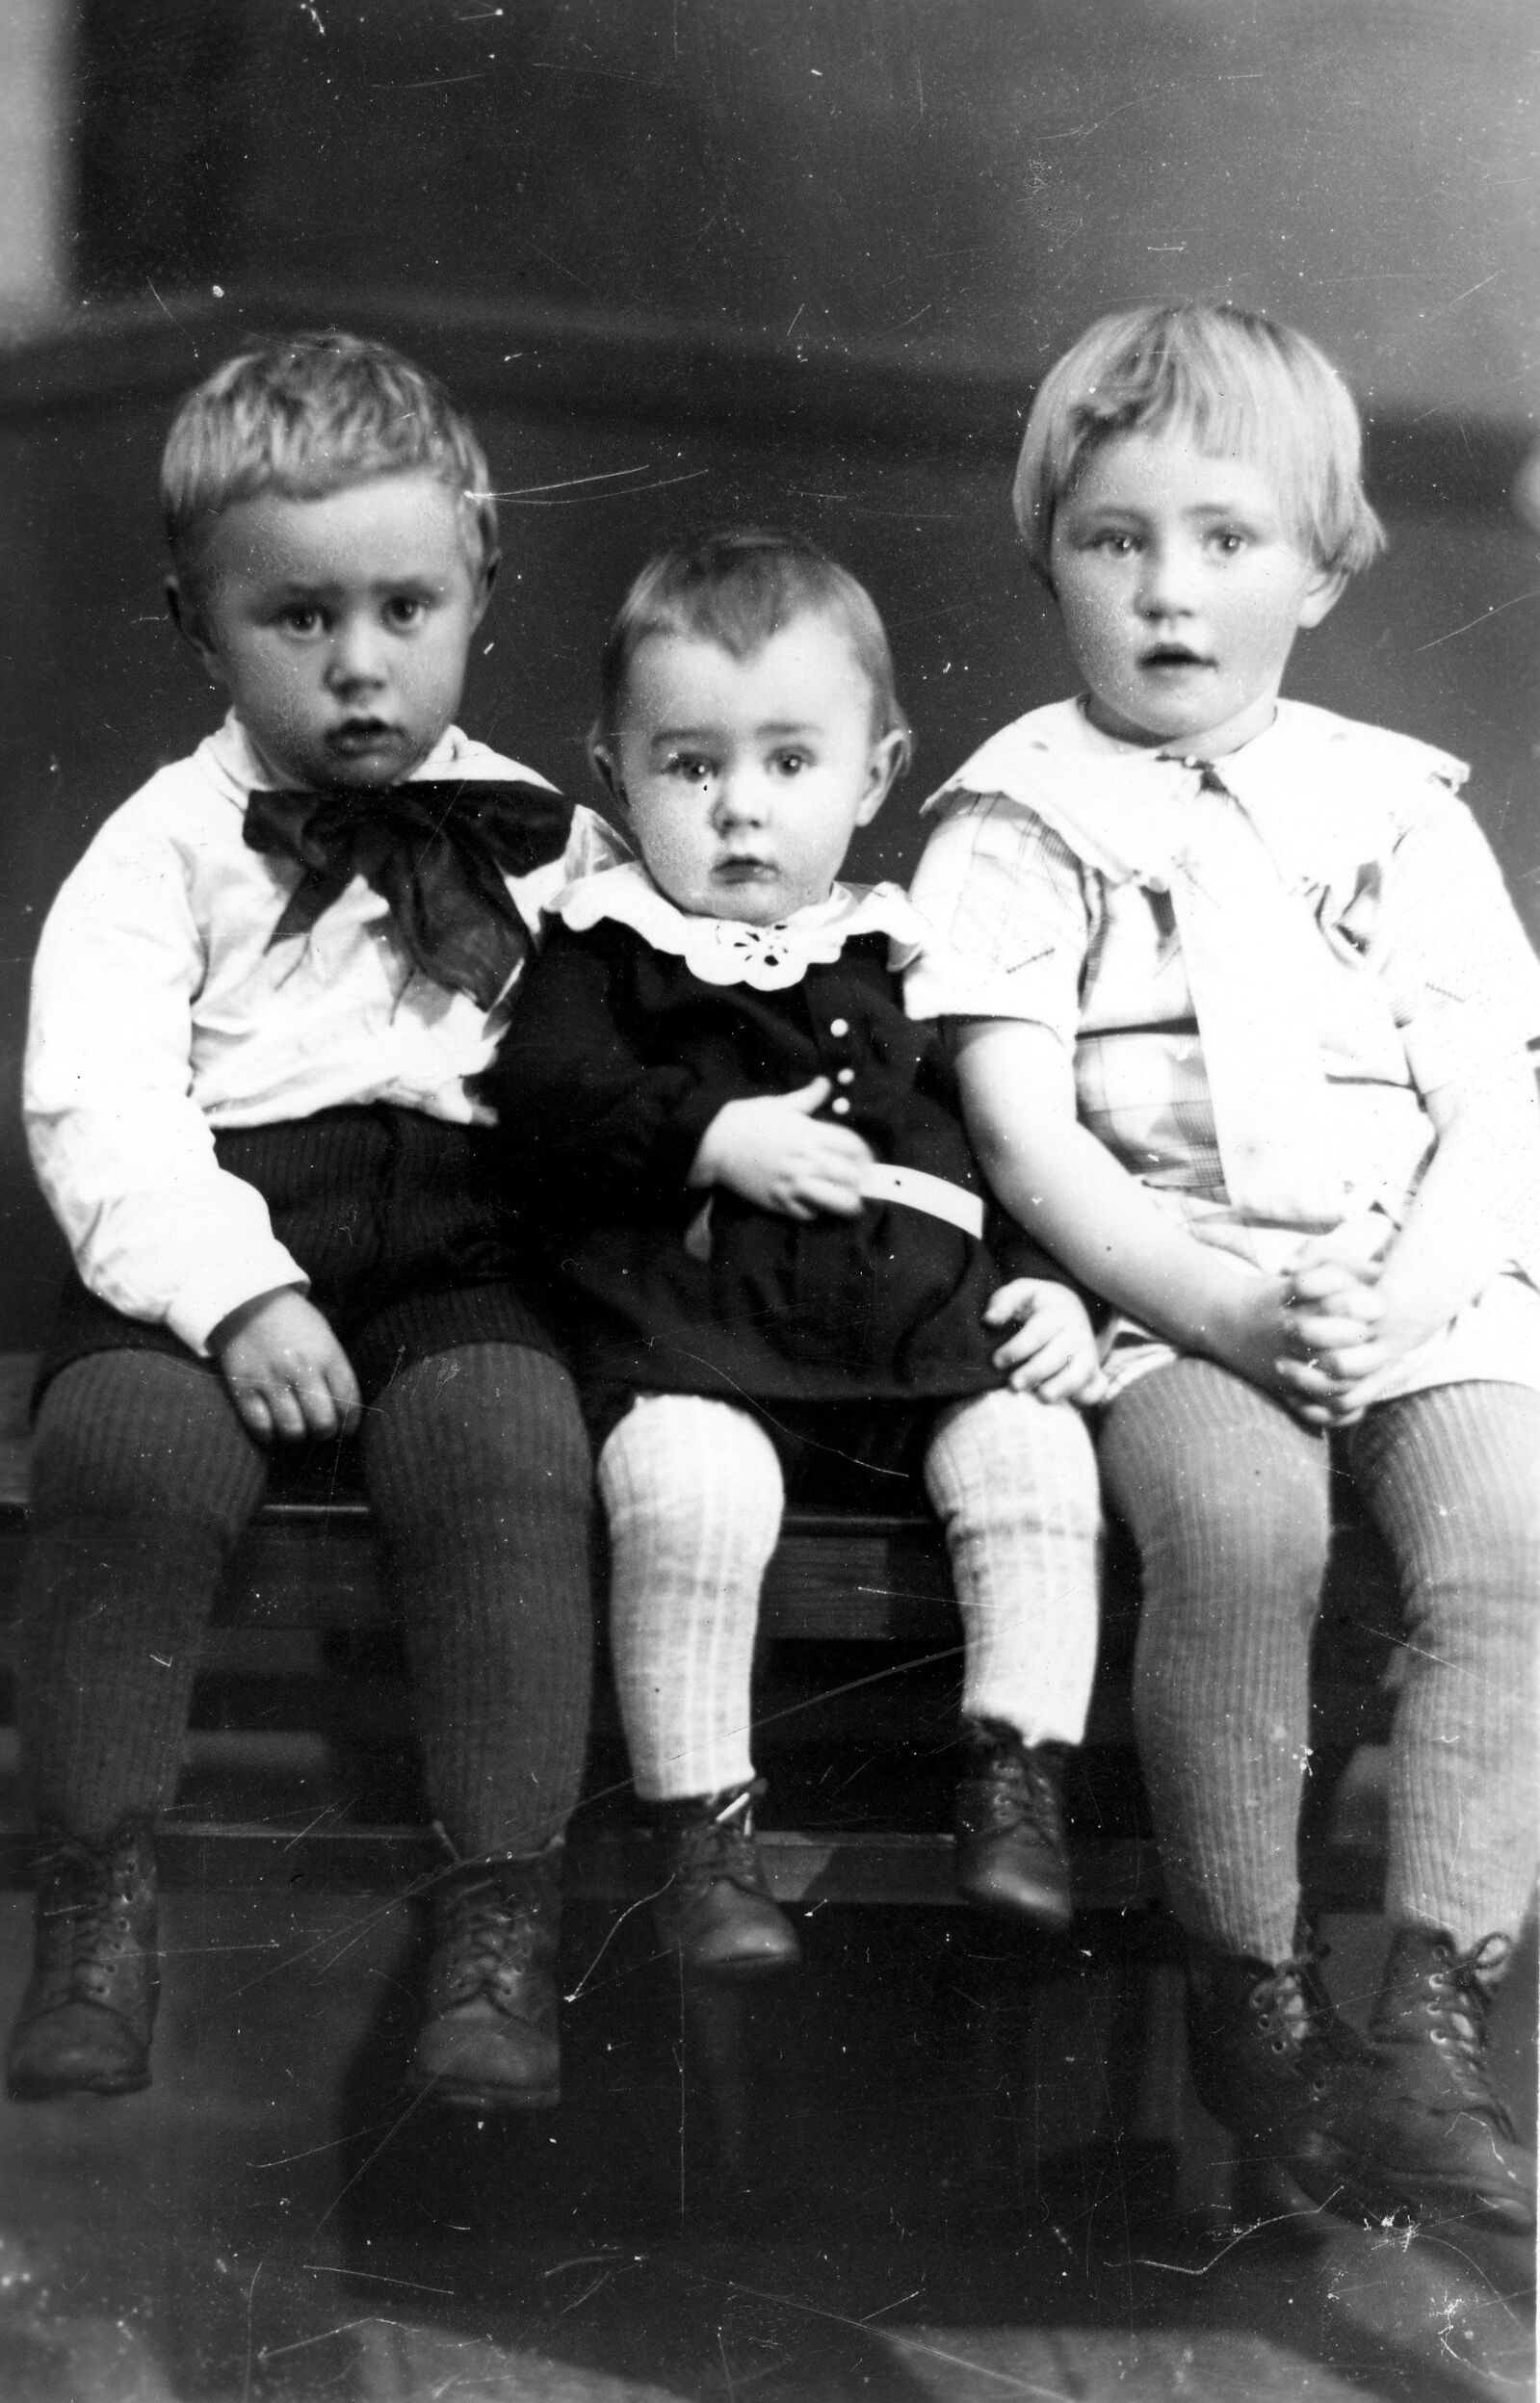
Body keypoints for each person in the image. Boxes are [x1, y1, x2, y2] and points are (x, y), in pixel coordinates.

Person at [908, 300, 1540, 2233]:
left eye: (1225, 538)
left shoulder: (1395, 812)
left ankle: (1430, 2014)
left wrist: (1406, 1300)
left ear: (1321, 572)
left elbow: (1494, 1098)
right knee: (1244, 1535)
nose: (1168, 590)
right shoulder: (1016, 821)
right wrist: (1228, 1314)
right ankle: (1249, 1990)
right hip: (1171, 1295)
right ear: (1052, 560)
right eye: (1116, 540)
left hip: (1404, 1284)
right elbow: (1026, 1137)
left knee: (1512, 1540)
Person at [9, 331, 627, 2114]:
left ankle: (497, 1921)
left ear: (480, 588)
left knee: (511, 1451)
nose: (360, 662)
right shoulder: (161, 849)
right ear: (197, 623)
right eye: (297, 617)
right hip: (213, 1249)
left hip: (456, 1255)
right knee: (117, 1448)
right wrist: (236, 1296)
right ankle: (97, 1902)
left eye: (404, 608)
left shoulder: (550, 844)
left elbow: (618, 1079)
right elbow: (100, 1109)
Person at [485, 528, 1105, 1978]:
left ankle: (1016, 1777)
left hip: (917, 1342)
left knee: (1036, 1454)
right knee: (684, 1494)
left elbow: (999, 1133)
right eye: (690, 766)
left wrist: (1051, 1282)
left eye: (788, 762)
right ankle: (703, 1833)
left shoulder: (904, 951)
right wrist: (707, 1133)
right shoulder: (605, 947)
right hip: (699, 1343)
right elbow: (542, 1105)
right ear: (614, 774)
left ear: (875, 776)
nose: (741, 808)